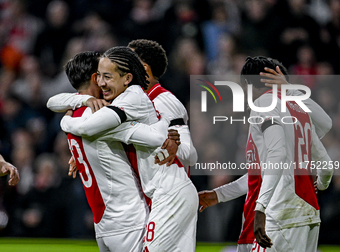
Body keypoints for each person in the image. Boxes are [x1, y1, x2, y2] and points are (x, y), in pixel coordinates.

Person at [58, 46, 198, 252]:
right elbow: (56, 102)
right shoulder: (114, 103)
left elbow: (188, 153)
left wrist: (172, 144)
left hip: (168, 192)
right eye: (101, 76)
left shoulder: (150, 98)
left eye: (108, 75)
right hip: (153, 195)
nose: (103, 82)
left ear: (133, 73)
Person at [199, 56, 333, 252]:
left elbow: (277, 157)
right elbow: (325, 162)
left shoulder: (264, 104)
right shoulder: (299, 112)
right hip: (307, 214)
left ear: (247, 83)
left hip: (281, 214)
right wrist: (220, 194)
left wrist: (260, 209)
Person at [127, 39, 197, 172]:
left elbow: (190, 155)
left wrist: (168, 144)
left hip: (171, 191)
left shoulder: (165, 102)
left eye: (127, 63)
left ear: (144, 69)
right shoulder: (135, 102)